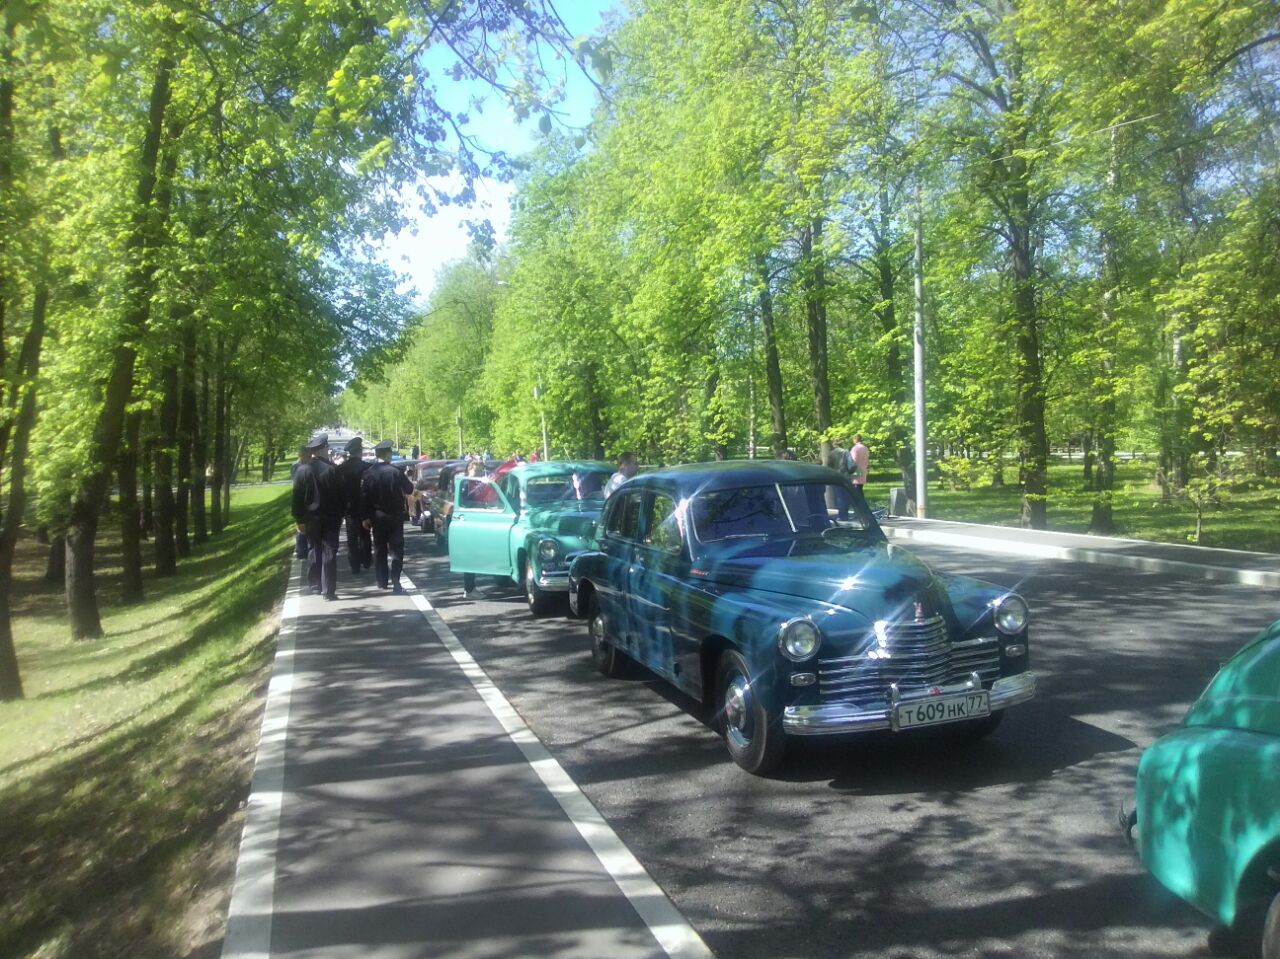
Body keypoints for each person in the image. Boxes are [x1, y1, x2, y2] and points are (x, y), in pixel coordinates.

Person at [292, 434, 344, 600]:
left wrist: (299, 519)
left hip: (310, 518)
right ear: (321, 450)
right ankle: (329, 590)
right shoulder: (331, 470)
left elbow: (296, 498)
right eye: (327, 448)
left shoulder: (302, 470)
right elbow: (340, 496)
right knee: (329, 551)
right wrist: (341, 515)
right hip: (330, 518)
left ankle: (315, 585)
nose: (328, 451)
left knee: (314, 549)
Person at [361, 440, 413, 593]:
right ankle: (396, 579)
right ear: (388, 454)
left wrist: (365, 517)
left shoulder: (368, 473)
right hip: (395, 516)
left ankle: (382, 581)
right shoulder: (396, 472)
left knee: (380, 548)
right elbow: (409, 489)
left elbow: (364, 497)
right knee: (397, 549)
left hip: (377, 516)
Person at [336, 437, 373, 574]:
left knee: (351, 536)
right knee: (365, 533)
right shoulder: (367, 467)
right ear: (360, 451)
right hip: (365, 505)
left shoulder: (341, 469)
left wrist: (341, 508)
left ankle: (354, 564)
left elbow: (338, 490)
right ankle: (366, 559)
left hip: (349, 507)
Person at [459, 458, 487, 598]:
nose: (479, 473)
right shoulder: (466, 484)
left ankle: (470, 587)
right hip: (468, 521)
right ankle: (469, 589)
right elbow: (464, 502)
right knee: (470, 555)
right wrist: (478, 504)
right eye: (477, 470)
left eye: (481, 471)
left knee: (474, 555)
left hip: (475, 520)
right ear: (470, 470)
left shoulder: (476, 483)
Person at [289, 445, 311, 559]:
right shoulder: (296, 466)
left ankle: (304, 548)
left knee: (307, 526)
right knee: (301, 526)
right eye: (302, 455)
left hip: (307, 499)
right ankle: (301, 549)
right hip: (301, 498)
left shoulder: (308, 465)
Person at [849, 433, 870, 506]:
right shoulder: (865, 448)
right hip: (863, 470)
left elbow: (853, 461)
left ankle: (861, 507)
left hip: (856, 471)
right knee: (859, 489)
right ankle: (862, 506)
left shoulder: (855, 448)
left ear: (855, 439)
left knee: (856, 491)